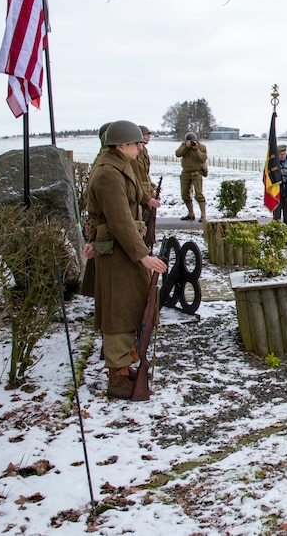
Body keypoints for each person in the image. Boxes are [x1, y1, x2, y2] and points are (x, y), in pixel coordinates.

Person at [84, 120, 168, 399]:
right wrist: (143, 256)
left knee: (129, 306)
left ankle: (122, 367)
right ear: (121, 145)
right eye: (136, 143)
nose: (140, 147)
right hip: (119, 250)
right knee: (118, 311)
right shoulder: (109, 172)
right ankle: (116, 376)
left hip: (121, 247)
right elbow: (119, 221)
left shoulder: (117, 165)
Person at [175, 131, 208, 221]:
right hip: (186, 172)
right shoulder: (184, 145)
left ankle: (203, 215)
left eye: (192, 141)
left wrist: (196, 149)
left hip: (197, 173)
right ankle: (190, 213)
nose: (191, 142)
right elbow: (178, 154)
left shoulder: (201, 147)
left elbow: (203, 158)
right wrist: (186, 147)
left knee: (199, 194)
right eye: (189, 141)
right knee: (184, 194)